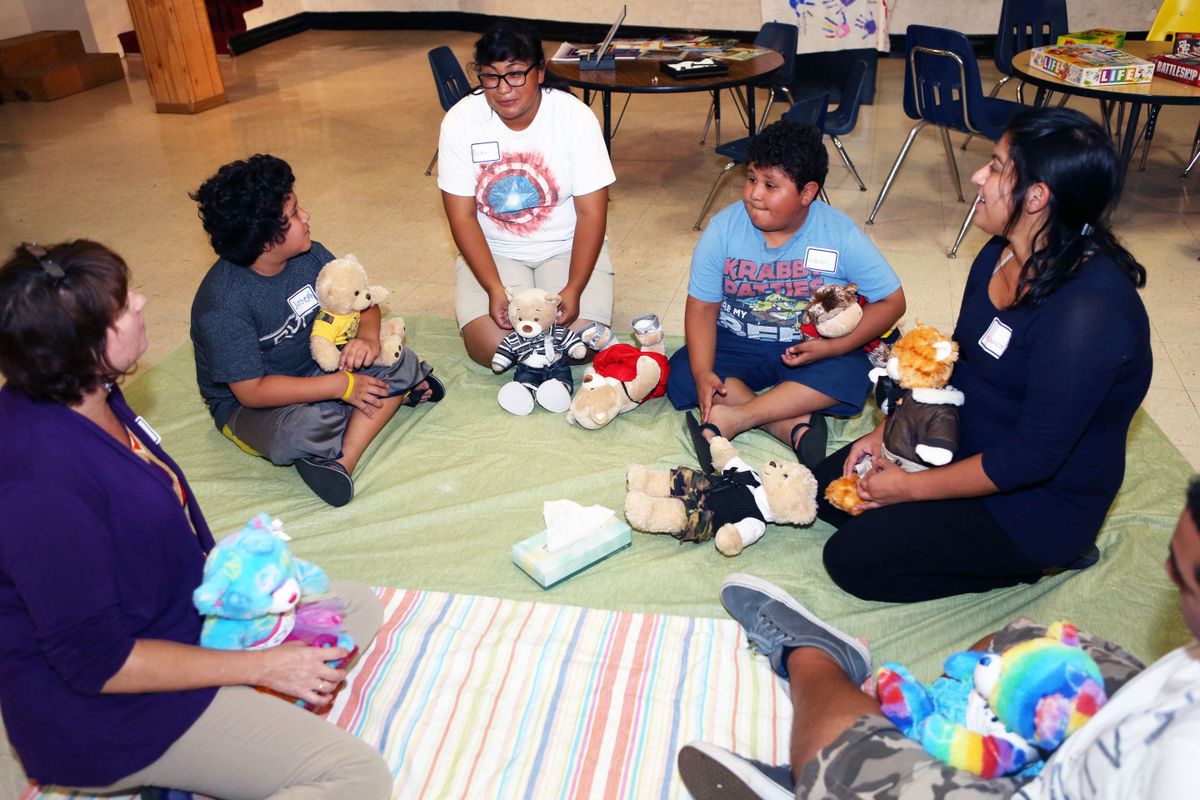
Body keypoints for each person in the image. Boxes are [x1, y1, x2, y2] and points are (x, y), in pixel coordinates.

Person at [0, 241, 391, 798]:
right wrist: (260, 668)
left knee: (354, 604)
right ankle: (190, 752)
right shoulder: (39, 486)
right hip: (112, 716)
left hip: (181, 621)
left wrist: (234, 585)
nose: (139, 301)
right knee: (356, 776)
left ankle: (221, 739)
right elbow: (97, 664)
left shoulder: (92, 394)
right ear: (85, 347)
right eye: (120, 305)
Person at [677, 473, 1200, 799]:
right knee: (1019, 642)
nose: (1166, 575)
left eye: (1184, 577)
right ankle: (907, 733)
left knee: (844, 758)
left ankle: (811, 658)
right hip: (1114, 726)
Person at [812, 106, 1152, 603]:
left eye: (995, 166)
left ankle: (1049, 558)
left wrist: (909, 489)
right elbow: (959, 362)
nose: (978, 176)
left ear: (1036, 197)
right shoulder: (998, 253)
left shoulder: (1088, 314)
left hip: (1032, 500)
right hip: (958, 440)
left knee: (851, 559)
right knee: (828, 493)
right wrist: (889, 432)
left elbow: (1031, 459)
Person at [191, 154, 442, 507]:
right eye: (293, 214)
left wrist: (366, 339)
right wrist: (342, 386)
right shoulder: (224, 305)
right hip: (256, 402)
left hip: (324, 365)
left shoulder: (310, 255)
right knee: (299, 431)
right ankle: (386, 398)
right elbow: (251, 392)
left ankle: (343, 459)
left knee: (397, 356)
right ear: (264, 242)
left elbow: (362, 302)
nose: (305, 216)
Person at [666, 120, 905, 471]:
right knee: (684, 372)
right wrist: (704, 371)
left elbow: (893, 302)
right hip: (738, 342)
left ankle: (738, 417)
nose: (754, 194)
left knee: (855, 371)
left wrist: (832, 347)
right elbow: (702, 308)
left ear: (807, 193)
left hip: (812, 348)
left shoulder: (839, 233)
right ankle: (789, 424)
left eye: (770, 185)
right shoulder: (723, 230)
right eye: (751, 179)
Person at [438, 19, 616, 367]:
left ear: (540, 71)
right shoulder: (460, 121)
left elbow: (592, 213)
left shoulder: (574, 117)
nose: (503, 89)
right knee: (491, 348)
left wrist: (574, 289)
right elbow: (461, 215)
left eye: (516, 73)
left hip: (566, 247)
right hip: (496, 254)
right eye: (490, 76)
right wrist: (493, 287)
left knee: (582, 345)